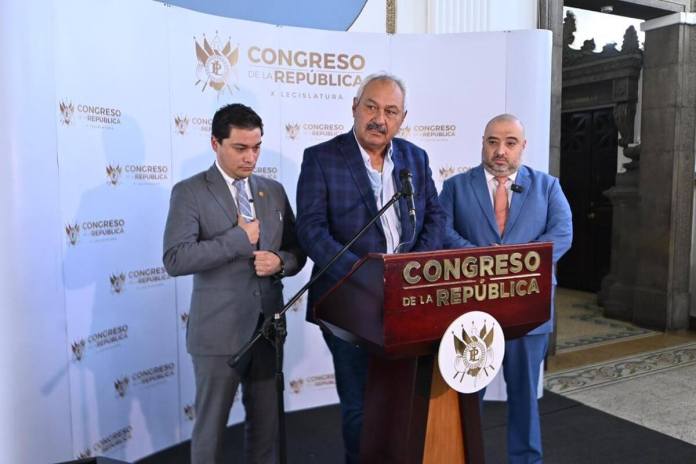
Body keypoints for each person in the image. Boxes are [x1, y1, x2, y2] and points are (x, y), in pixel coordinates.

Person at [295, 72, 445, 463]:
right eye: (372, 107)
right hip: (348, 302)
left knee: (403, 402)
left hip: (408, 301)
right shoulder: (322, 157)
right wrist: (364, 276)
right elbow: (311, 229)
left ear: (403, 118)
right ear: (355, 108)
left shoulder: (415, 157)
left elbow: (435, 217)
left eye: (390, 111)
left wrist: (413, 268)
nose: (380, 118)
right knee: (361, 404)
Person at [162, 103, 306, 464]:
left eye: (256, 147)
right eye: (240, 148)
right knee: (209, 432)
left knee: (266, 429)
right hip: (217, 335)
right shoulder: (189, 191)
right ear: (215, 143)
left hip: (267, 331)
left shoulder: (272, 190)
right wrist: (237, 240)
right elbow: (175, 258)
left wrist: (281, 262)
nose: (251, 157)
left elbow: (296, 250)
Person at [439, 113, 572, 463]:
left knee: (526, 397)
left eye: (510, 143)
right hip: (471, 311)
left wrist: (512, 262)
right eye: (493, 142)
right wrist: (485, 260)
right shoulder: (455, 187)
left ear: (523, 147)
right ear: (483, 143)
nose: (501, 151)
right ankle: (462, 456)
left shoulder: (547, 187)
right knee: (466, 397)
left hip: (529, 311)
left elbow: (561, 235)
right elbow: (442, 234)